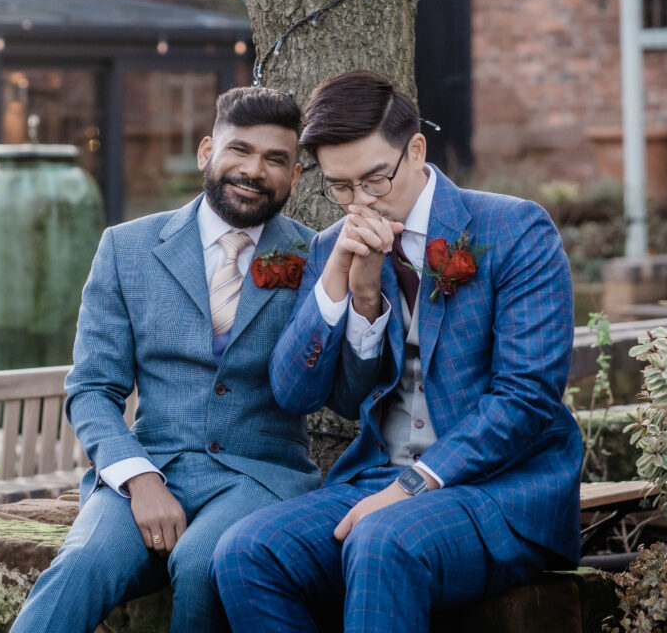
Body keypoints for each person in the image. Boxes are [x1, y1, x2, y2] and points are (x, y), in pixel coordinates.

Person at [212, 70, 580, 633]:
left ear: (415, 151)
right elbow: (296, 392)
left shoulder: (514, 229)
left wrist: (415, 484)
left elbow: (526, 398)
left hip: (502, 492)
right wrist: (347, 287)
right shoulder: (334, 246)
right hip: (378, 480)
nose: (359, 202)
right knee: (245, 551)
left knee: (384, 541)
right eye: (339, 187)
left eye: (374, 180)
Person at [9, 85, 322, 633]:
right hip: (151, 468)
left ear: (294, 178)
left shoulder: (315, 254)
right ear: (207, 152)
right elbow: (91, 390)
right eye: (239, 150)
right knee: (80, 565)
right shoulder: (126, 248)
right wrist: (140, 480)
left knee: (201, 565)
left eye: (275, 159)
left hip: (262, 475)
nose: (254, 170)